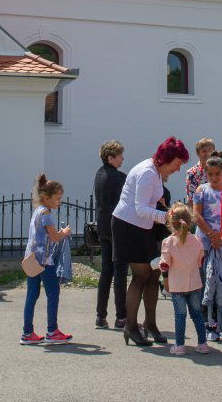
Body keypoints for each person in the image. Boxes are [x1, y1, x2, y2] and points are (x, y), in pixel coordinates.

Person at [114, 137, 188, 347]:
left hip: (141, 227)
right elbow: (140, 209)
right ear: (167, 159)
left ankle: (150, 324)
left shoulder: (155, 171)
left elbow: (148, 204)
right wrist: (167, 216)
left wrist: (162, 206)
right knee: (141, 275)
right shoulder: (148, 172)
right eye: (177, 164)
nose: (178, 168)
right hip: (128, 226)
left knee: (155, 272)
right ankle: (130, 325)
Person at [20, 174, 73, 345]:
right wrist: (65, 232)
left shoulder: (37, 210)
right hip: (44, 260)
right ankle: (52, 330)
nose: (59, 202)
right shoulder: (47, 214)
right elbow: (55, 237)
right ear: (46, 197)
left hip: (31, 257)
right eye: (57, 198)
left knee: (32, 294)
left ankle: (27, 333)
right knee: (53, 292)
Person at [192, 154, 222, 340]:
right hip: (205, 244)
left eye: (217, 173)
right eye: (210, 174)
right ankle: (206, 324)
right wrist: (211, 234)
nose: (214, 177)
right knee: (205, 282)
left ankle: (219, 323)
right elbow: (196, 215)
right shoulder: (201, 190)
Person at [160, 203, 209, 355]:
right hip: (194, 283)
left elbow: (164, 265)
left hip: (177, 285)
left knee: (180, 316)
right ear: (190, 221)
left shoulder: (168, 242)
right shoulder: (196, 240)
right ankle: (203, 344)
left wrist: (165, 280)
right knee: (197, 314)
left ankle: (179, 345)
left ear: (170, 222)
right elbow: (201, 261)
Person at [94, 140, 128, 329]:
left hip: (103, 227)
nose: (122, 158)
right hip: (118, 228)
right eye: (120, 155)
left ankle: (101, 315)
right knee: (120, 271)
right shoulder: (119, 177)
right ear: (111, 158)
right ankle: (121, 316)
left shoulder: (99, 174)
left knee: (106, 271)